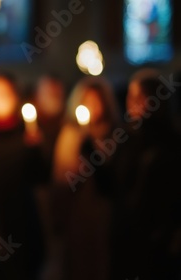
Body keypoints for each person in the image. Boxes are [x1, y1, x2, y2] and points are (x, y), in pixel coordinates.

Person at [109, 68, 181, 279]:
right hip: (126, 237)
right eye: (131, 97)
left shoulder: (169, 141)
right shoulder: (125, 137)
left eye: (140, 96)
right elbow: (114, 187)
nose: (133, 103)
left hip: (156, 242)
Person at [48, 75, 122, 280]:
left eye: (96, 100)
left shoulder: (114, 134)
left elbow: (115, 176)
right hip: (77, 212)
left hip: (104, 212)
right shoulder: (71, 134)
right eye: (87, 101)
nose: (92, 106)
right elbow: (62, 178)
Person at [0, 72, 47, 279]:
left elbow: (41, 178)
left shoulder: (27, 133)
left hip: (22, 220)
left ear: (16, 96)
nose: (1, 98)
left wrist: (36, 148)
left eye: (6, 93)